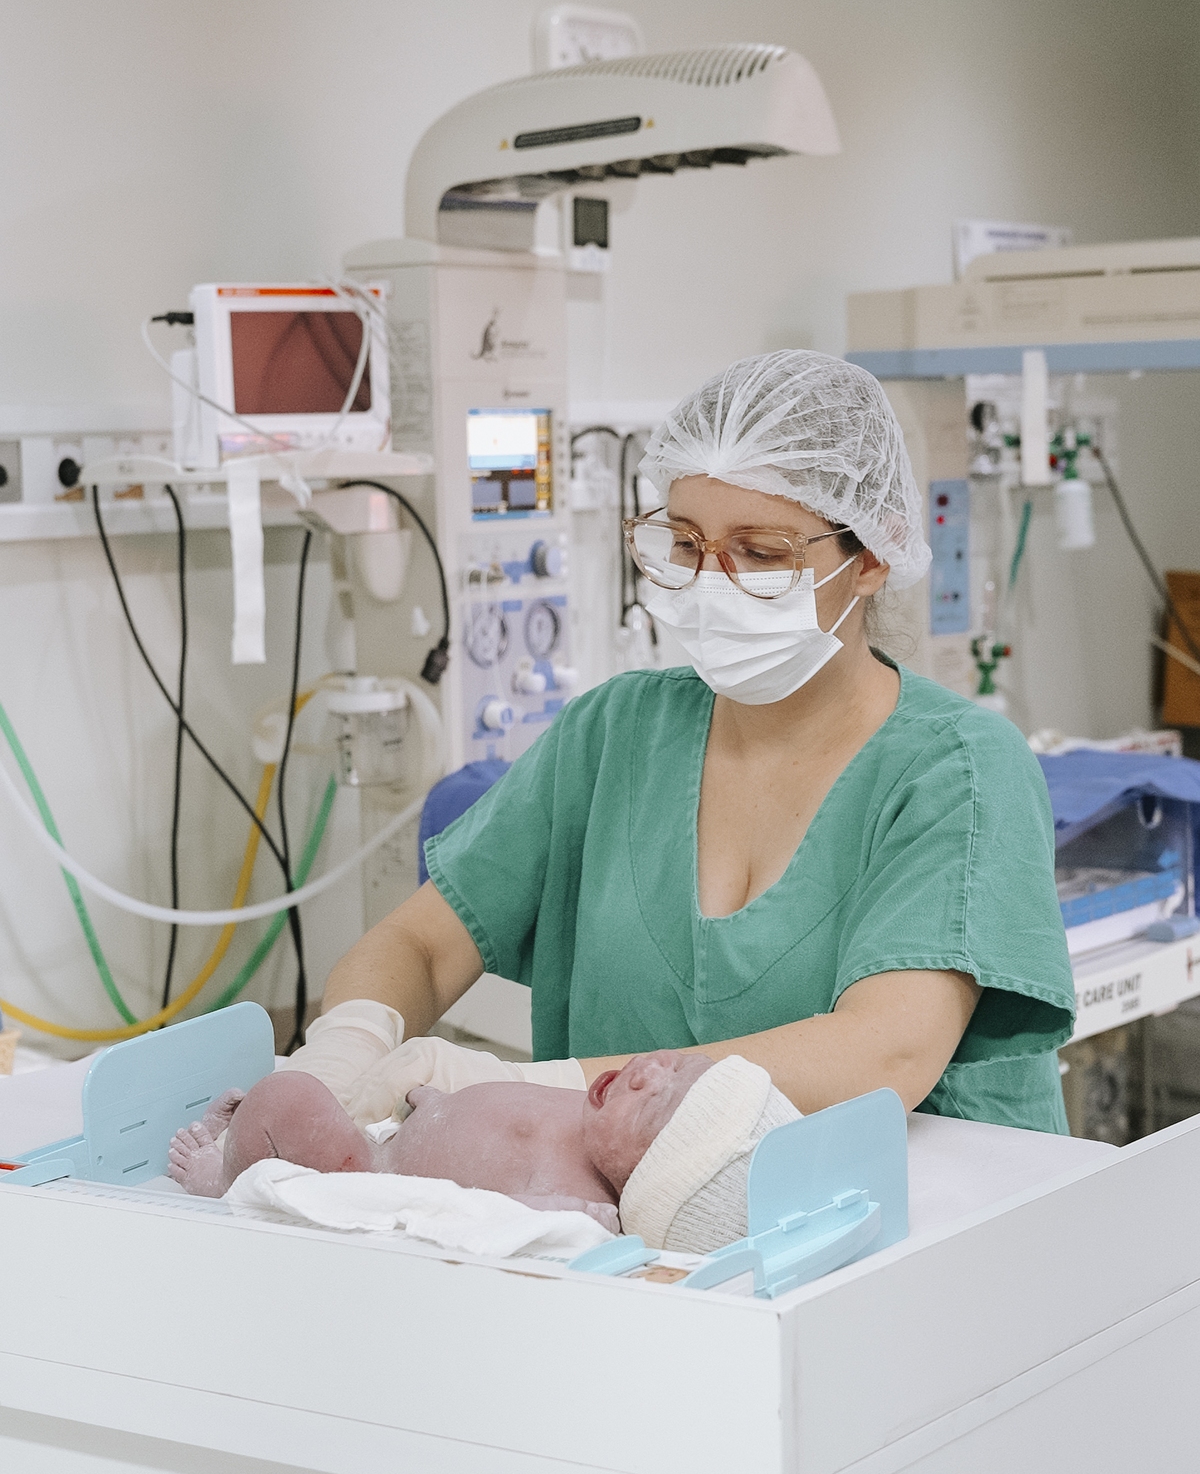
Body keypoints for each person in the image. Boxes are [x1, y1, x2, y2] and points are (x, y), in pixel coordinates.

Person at [319, 350, 1075, 1133]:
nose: (714, 583)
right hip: (635, 1207)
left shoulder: (959, 769)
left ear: (872, 558)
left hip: (915, 1202)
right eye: (684, 543)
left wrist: (545, 1089)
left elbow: (882, 1053)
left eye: (762, 553)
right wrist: (349, 1041)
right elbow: (420, 944)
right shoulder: (611, 735)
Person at [168, 1048, 799, 1254]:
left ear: (651, 1180)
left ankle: (223, 1177)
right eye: (678, 1063)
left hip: (367, 1165)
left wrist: (559, 1214)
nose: (647, 1071)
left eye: (654, 1104)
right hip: (411, 1123)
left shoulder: (579, 1205)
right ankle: (247, 1140)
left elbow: (493, 1223)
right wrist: (440, 1109)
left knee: (290, 1095)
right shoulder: (599, 1115)